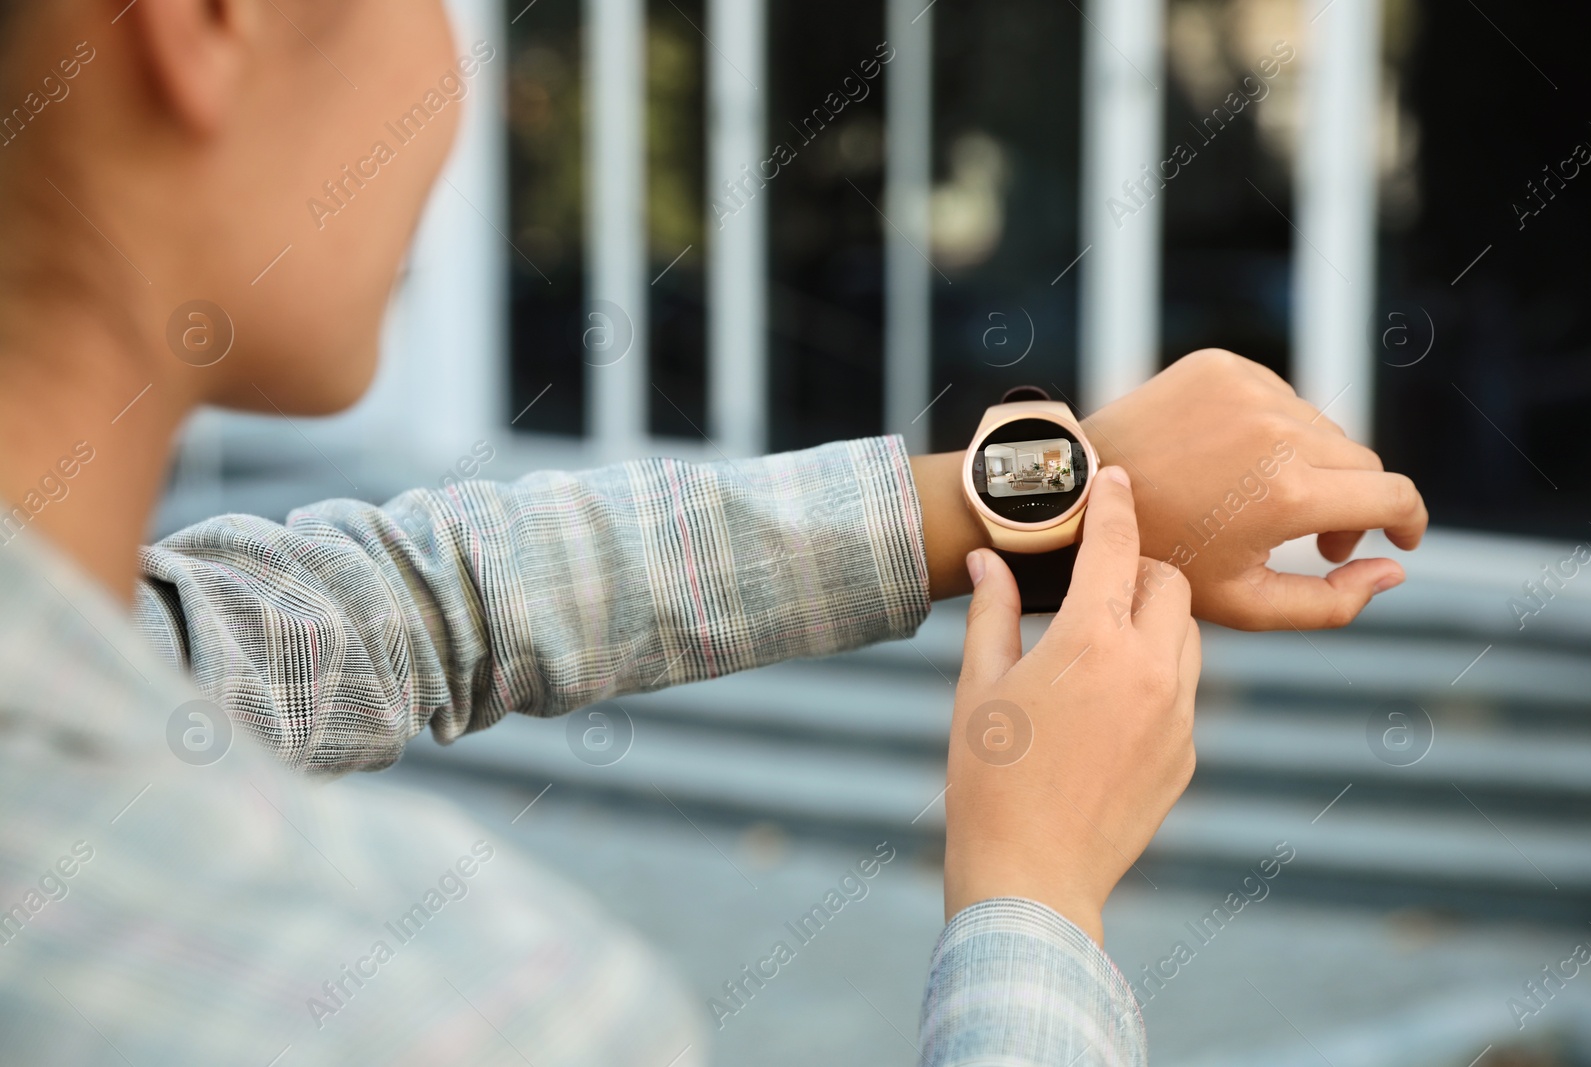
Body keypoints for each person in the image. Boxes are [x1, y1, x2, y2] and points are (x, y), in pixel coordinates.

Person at [0, 0, 1428, 1063]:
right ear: (206, 27)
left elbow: (387, 615)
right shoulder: (434, 1010)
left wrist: (1031, 493)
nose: (470, 88)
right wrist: (1033, 899)